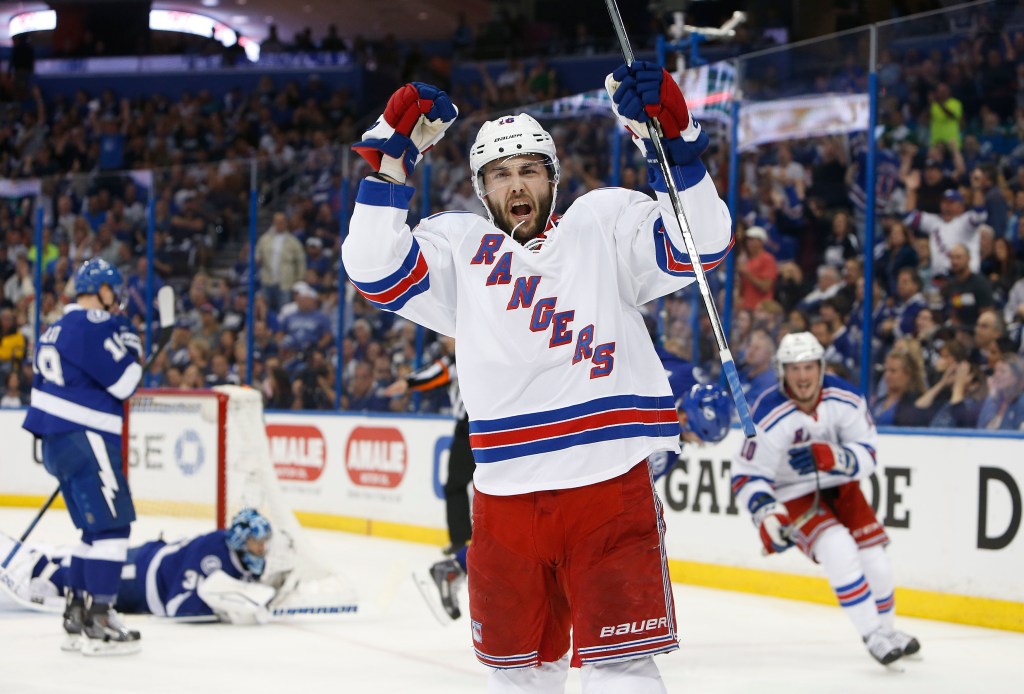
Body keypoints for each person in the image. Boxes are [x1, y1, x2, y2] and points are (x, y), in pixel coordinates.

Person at [342, 64, 733, 692]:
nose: (516, 183)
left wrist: (675, 147)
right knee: (520, 674)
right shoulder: (458, 246)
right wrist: (390, 158)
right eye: (500, 174)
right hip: (504, 498)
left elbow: (702, 245)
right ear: (480, 188)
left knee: (623, 667)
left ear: (552, 176)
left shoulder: (601, 224)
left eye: (529, 169)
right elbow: (371, 268)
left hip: (607, 487)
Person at [731, 332, 920, 666]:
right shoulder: (767, 413)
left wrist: (834, 457)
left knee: (875, 559)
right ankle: (871, 633)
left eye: (808, 367)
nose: (802, 377)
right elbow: (746, 475)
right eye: (794, 369)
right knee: (838, 548)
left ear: (821, 367)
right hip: (794, 495)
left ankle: (888, 631)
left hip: (843, 487)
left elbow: (869, 454)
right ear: (782, 372)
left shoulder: (846, 398)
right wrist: (767, 515)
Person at [21, 258, 144, 656]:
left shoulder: (52, 328)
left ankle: (76, 614)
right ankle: (101, 620)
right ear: (103, 290)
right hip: (88, 437)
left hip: (55, 443)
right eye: (113, 291)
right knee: (113, 530)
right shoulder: (95, 322)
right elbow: (126, 383)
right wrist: (132, 345)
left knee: (91, 533)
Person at [0, 509, 276, 624]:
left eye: (264, 541)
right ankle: (44, 570)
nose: (262, 548)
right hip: (143, 576)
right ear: (241, 539)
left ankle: (51, 561)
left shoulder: (240, 557)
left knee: (99, 565)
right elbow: (177, 608)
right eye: (256, 541)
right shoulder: (210, 557)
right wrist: (221, 605)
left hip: (151, 562)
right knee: (98, 577)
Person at [382, 337, 475, 620]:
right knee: (463, 487)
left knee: (457, 487)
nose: (445, 340)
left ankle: (462, 545)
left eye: (448, 334)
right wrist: (409, 383)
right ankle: (462, 548)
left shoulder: (462, 356)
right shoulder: (461, 356)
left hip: (471, 428)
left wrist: (408, 383)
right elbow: (435, 372)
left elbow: (434, 373)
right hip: (477, 427)